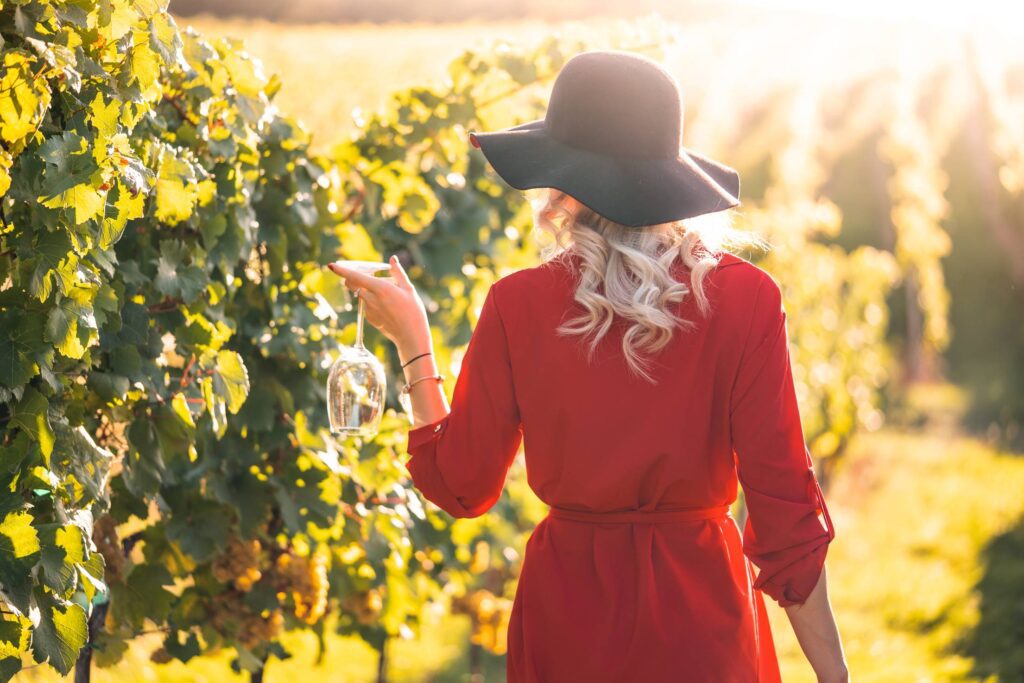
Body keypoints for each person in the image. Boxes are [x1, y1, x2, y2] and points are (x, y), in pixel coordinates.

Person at [329, 50, 849, 683]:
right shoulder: (744, 300)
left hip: (567, 620)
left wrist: (413, 338)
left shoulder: (518, 303)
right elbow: (786, 513)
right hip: (703, 622)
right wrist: (834, 675)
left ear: (561, 182)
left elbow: (461, 484)